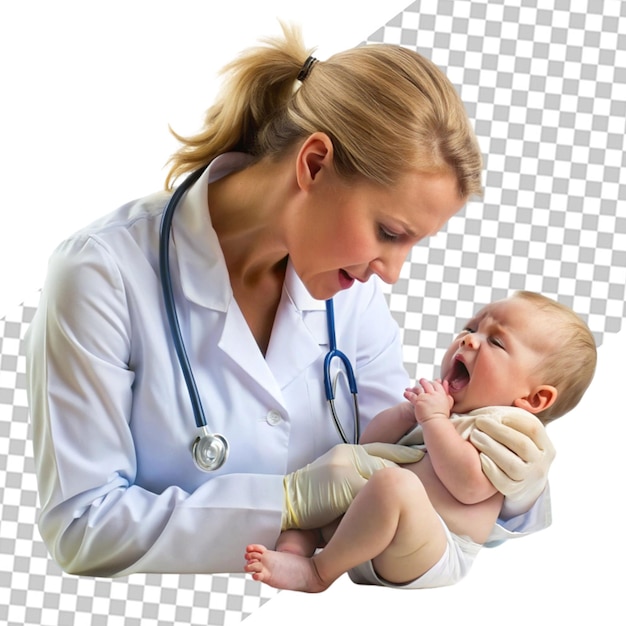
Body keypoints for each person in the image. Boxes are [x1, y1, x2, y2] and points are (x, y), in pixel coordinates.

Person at [25, 23, 554, 577]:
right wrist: (285, 503)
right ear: (315, 163)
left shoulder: (348, 288)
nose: (392, 273)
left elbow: (408, 467)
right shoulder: (101, 273)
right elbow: (82, 528)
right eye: (390, 232)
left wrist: (516, 481)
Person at [244, 291, 597, 591]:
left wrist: (434, 420)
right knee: (346, 472)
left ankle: (319, 573)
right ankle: (295, 548)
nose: (468, 339)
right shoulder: (446, 412)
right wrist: (406, 415)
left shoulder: (508, 429)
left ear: (534, 400)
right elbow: (366, 445)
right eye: (471, 328)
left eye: (497, 341)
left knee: (394, 485)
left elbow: (469, 486)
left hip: (433, 545)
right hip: (370, 531)